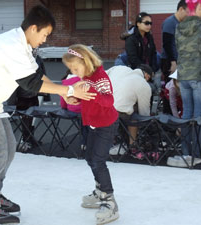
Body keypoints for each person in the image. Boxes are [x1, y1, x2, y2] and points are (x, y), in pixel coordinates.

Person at [0, 6, 95, 224]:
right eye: (45, 35)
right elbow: (30, 84)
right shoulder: (11, 46)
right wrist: (69, 90)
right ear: (34, 28)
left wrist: (67, 91)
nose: (45, 40)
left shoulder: (22, 46)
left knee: (8, 149)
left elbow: (38, 77)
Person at [62, 44, 119, 225]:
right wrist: (75, 98)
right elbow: (87, 98)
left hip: (106, 125)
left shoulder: (100, 77)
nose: (74, 72)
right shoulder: (86, 77)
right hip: (92, 123)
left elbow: (108, 100)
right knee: (89, 157)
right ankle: (99, 190)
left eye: (75, 68)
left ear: (85, 61)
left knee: (97, 160)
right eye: (71, 69)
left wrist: (91, 90)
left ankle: (109, 201)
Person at [167, 0, 201, 168]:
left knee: (186, 114)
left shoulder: (179, 26)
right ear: (197, 8)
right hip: (200, 74)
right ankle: (198, 153)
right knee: (199, 115)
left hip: (183, 76)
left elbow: (178, 47)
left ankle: (186, 152)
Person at [106, 64, 153, 158]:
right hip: (117, 113)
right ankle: (132, 145)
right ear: (147, 76)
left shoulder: (119, 68)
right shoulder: (143, 84)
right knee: (134, 116)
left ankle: (113, 141)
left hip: (101, 108)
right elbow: (144, 114)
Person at [160, 0, 188, 113]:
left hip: (178, 60)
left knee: (178, 89)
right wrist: (173, 62)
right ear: (181, 9)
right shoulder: (170, 22)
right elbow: (167, 43)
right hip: (169, 61)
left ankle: (177, 114)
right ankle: (168, 115)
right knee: (170, 88)